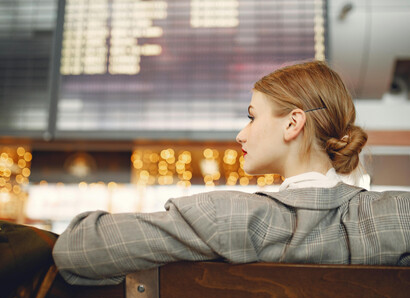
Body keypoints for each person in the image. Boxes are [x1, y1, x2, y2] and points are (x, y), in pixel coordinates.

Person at [52, 60, 410, 286]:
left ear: (293, 123)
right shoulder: (399, 216)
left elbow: (77, 248)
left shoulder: (223, 217)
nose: (242, 133)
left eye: (252, 116)